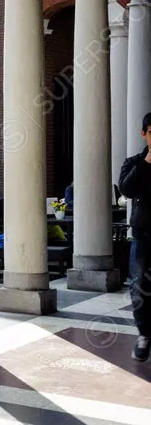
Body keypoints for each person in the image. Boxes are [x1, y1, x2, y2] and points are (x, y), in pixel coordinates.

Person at [118, 110, 151, 362]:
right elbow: (127, 189)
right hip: (143, 235)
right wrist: (147, 162)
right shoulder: (134, 162)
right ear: (144, 134)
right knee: (138, 286)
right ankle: (145, 335)